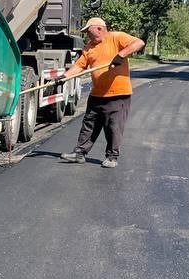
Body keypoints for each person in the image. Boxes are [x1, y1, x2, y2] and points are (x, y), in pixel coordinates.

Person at [58, 17, 145, 168]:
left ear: (99, 28)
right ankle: (79, 153)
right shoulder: (89, 47)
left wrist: (121, 55)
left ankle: (112, 157)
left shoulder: (116, 37)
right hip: (97, 93)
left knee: (113, 126)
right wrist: (64, 77)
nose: (87, 35)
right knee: (89, 125)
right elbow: (80, 66)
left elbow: (139, 43)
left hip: (117, 94)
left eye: (88, 31)